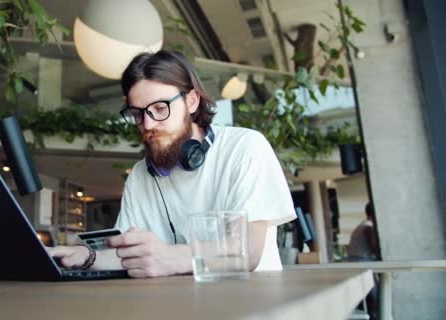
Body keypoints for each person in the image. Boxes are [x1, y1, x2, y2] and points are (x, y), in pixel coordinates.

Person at [49, 50, 296, 278]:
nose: (148, 124)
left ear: (191, 102)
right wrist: (85, 257)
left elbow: (247, 251)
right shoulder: (140, 174)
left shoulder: (245, 147)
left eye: (159, 108)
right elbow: (130, 255)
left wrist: (171, 258)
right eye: (138, 114)